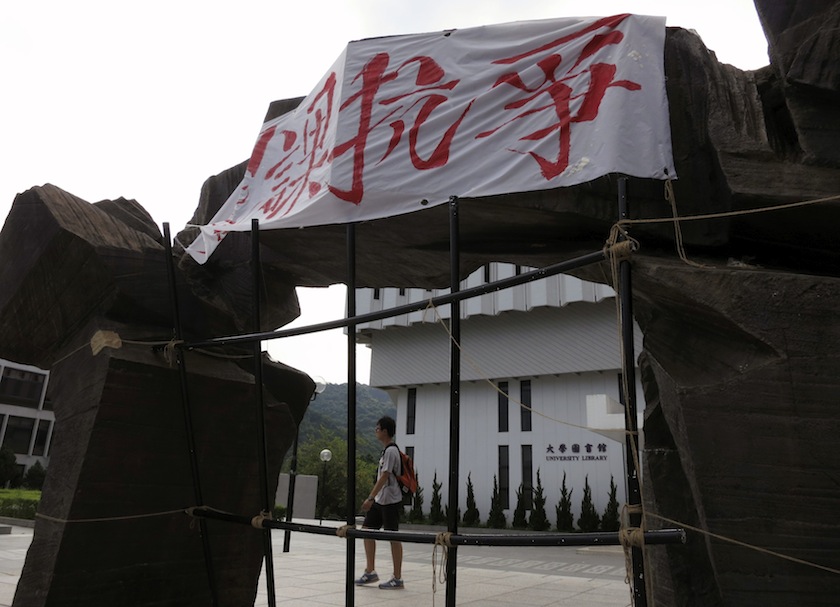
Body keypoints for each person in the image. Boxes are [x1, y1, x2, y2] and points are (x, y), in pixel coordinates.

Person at [355, 415, 404, 589]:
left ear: (384, 431)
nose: (375, 431)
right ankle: (370, 571)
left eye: (377, 428)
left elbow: (384, 476)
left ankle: (397, 578)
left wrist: (369, 498)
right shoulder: (386, 451)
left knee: (393, 537)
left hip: (390, 500)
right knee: (367, 531)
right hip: (381, 500)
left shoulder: (391, 450)